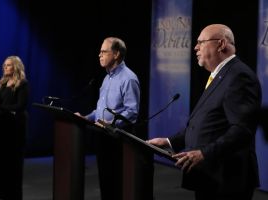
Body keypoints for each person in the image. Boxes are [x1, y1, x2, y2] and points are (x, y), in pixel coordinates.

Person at [147, 24, 262, 200]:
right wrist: (170, 142)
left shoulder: (239, 76)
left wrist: (204, 153)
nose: (195, 47)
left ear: (221, 44)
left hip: (227, 180)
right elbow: (207, 123)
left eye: (201, 42)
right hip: (211, 176)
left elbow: (241, 130)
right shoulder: (220, 75)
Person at [75, 37, 140, 200]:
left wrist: (113, 123)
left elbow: (132, 111)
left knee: (116, 184)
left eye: (104, 51)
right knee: (106, 183)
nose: (99, 55)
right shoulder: (107, 78)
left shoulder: (128, 78)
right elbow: (100, 110)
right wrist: (86, 118)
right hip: (102, 136)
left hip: (118, 139)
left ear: (116, 54)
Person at [0, 56, 29, 200]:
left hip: (15, 130)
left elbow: (20, 106)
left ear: (15, 67)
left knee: (14, 168)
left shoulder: (22, 84)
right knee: (3, 167)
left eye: (8, 65)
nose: (5, 67)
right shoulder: (2, 84)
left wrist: (1, 108)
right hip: (3, 129)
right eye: (4, 65)